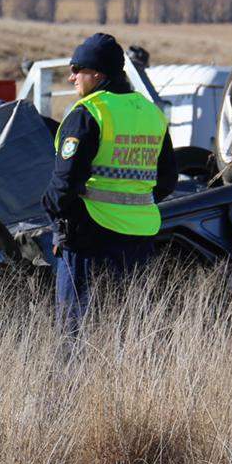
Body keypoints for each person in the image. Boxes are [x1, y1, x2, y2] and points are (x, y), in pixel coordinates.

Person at [43, 33, 177, 338]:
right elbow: (167, 180)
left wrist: (57, 219)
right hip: (139, 239)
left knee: (76, 332)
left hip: (88, 238)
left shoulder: (88, 114)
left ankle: (73, 386)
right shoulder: (150, 114)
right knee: (129, 330)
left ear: (98, 74)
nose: (71, 76)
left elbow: (63, 185)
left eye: (78, 69)